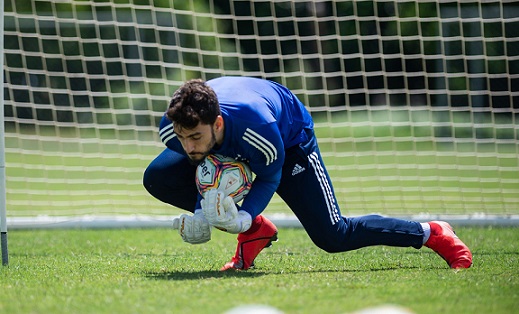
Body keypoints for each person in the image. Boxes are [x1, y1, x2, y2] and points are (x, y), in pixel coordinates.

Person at [143, 76, 472, 271]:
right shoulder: (175, 131)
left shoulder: (259, 130)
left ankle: (431, 232)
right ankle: (258, 231)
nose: (187, 146)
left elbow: (269, 176)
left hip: (290, 140)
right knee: (157, 176)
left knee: (333, 236)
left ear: (216, 123)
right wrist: (203, 213)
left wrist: (241, 216)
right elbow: (191, 157)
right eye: (182, 137)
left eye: (195, 137)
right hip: (233, 140)